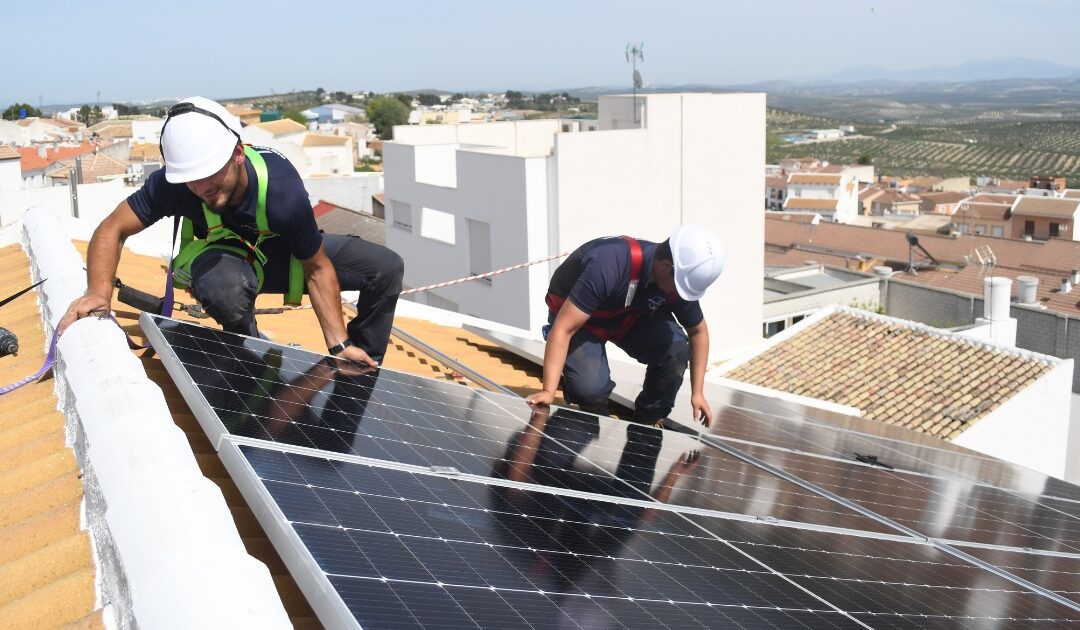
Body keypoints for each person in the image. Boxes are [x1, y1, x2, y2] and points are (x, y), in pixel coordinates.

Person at [58, 97, 403, 367]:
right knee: (227, 288)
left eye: (210, 174)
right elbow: (113, 228)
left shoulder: (281, 189)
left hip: (280, 256)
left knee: (385, 269)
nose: (201, 187)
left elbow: (316, 267)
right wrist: (98, 292)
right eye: (191, 179)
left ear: (238, 153)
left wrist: (339, 345)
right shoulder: (174, 183)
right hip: (222, 258)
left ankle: (358, 370)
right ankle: (247, 359)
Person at [525, 225, 725, 426]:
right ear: (666, 267)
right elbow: (563, 329)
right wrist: (548, 391)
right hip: (582, 323)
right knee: (590, 389)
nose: (681, 294)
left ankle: (647, 424)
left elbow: (698, 332)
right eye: (680, 286)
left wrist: (697, 392)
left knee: (676, 349)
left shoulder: (674, 278)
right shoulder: (608, 265)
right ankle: (594, 416)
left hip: (628, 317)